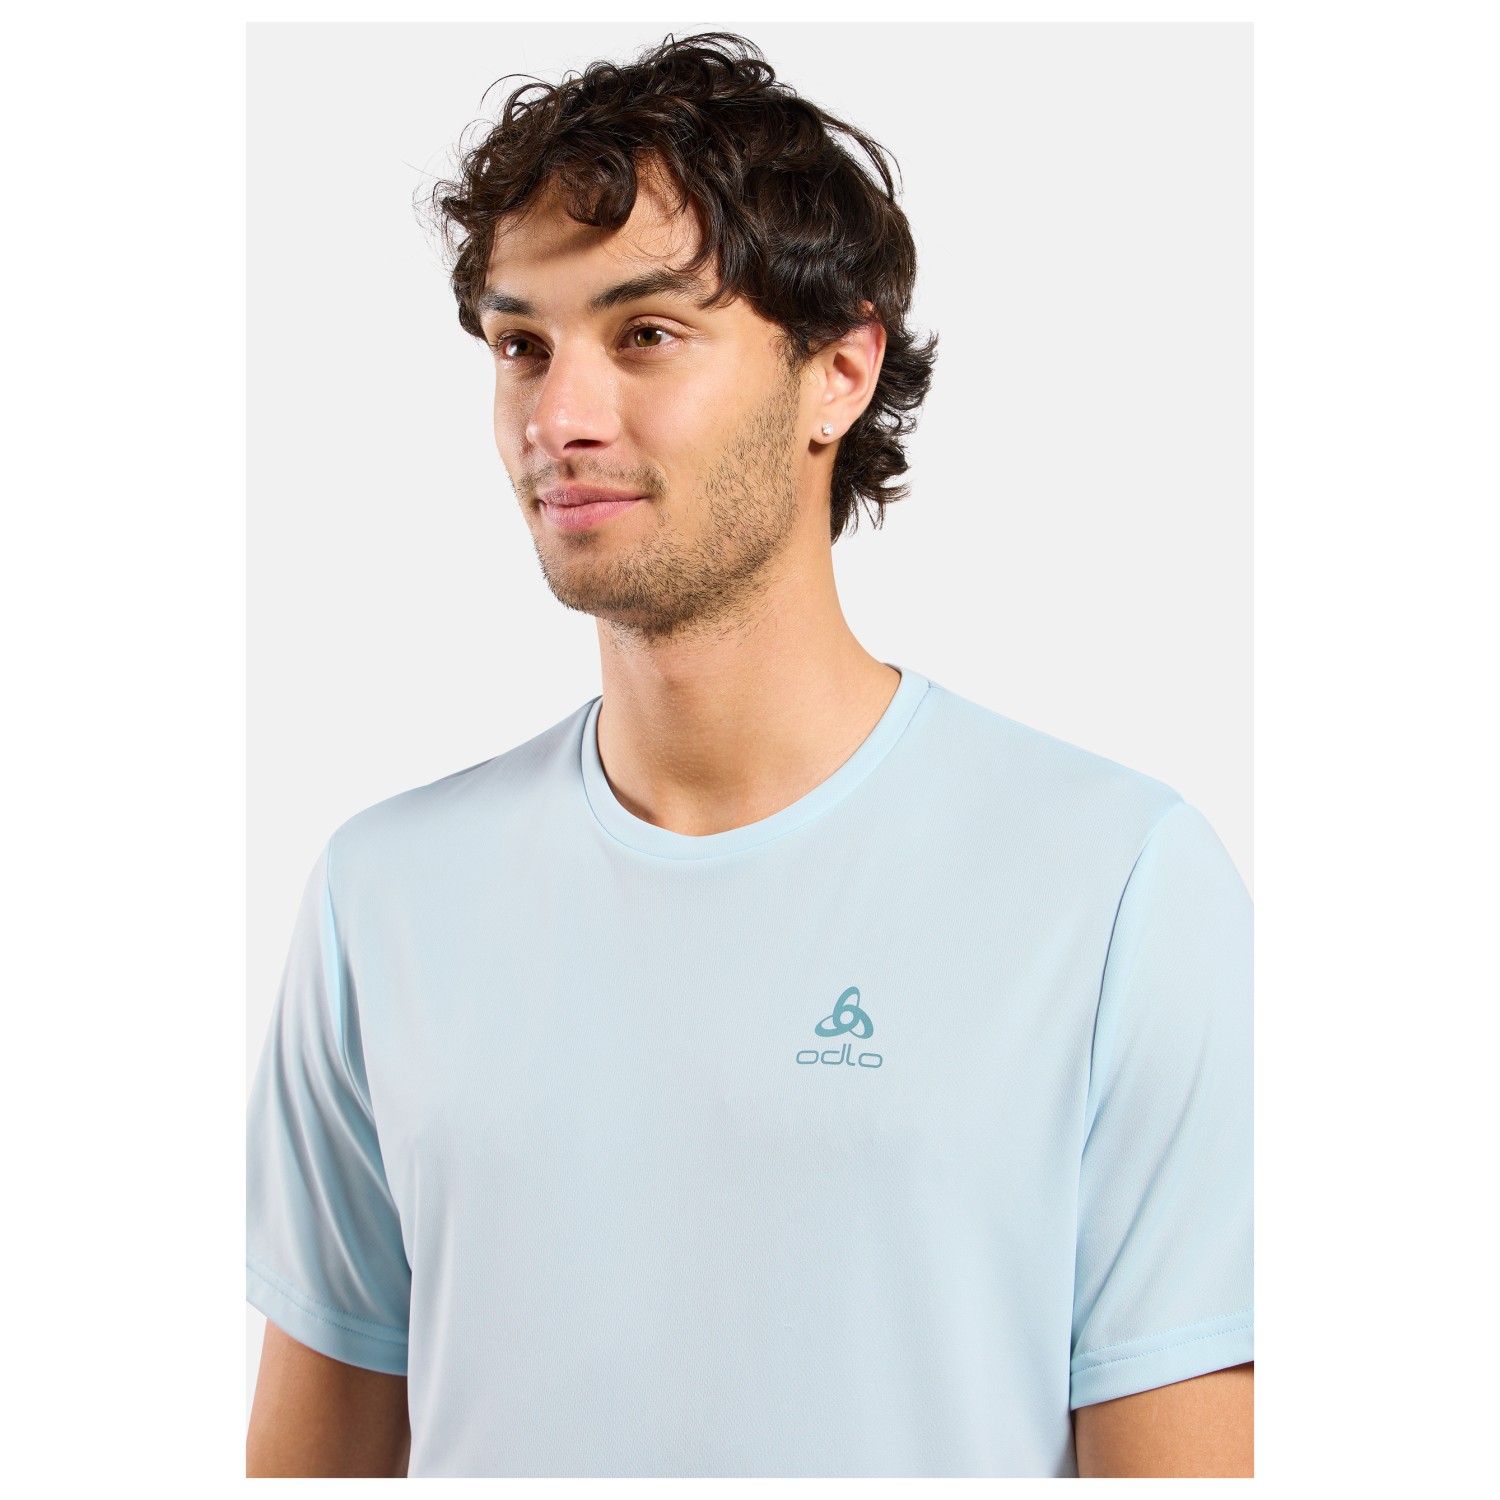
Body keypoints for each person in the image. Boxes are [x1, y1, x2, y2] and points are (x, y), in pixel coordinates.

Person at [244, 31, 1253, 1478]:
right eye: (523, 347)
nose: (559, 418)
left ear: (838, 371)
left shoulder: (1113, 886)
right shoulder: (382, 897)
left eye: (647, 334)